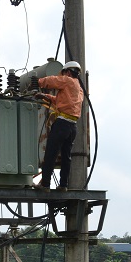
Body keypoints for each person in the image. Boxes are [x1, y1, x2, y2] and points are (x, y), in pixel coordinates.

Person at [35, 60, 84, 192]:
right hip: (72, 127)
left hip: (62, 124)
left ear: (68, 72)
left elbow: (52, 81)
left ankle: (45, 184)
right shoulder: (79, 89)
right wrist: (45, 96)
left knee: (51, 153)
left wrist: (37, 82)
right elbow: (61, 100)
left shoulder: (67, 81)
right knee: (66, 156)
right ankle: (63, 185)